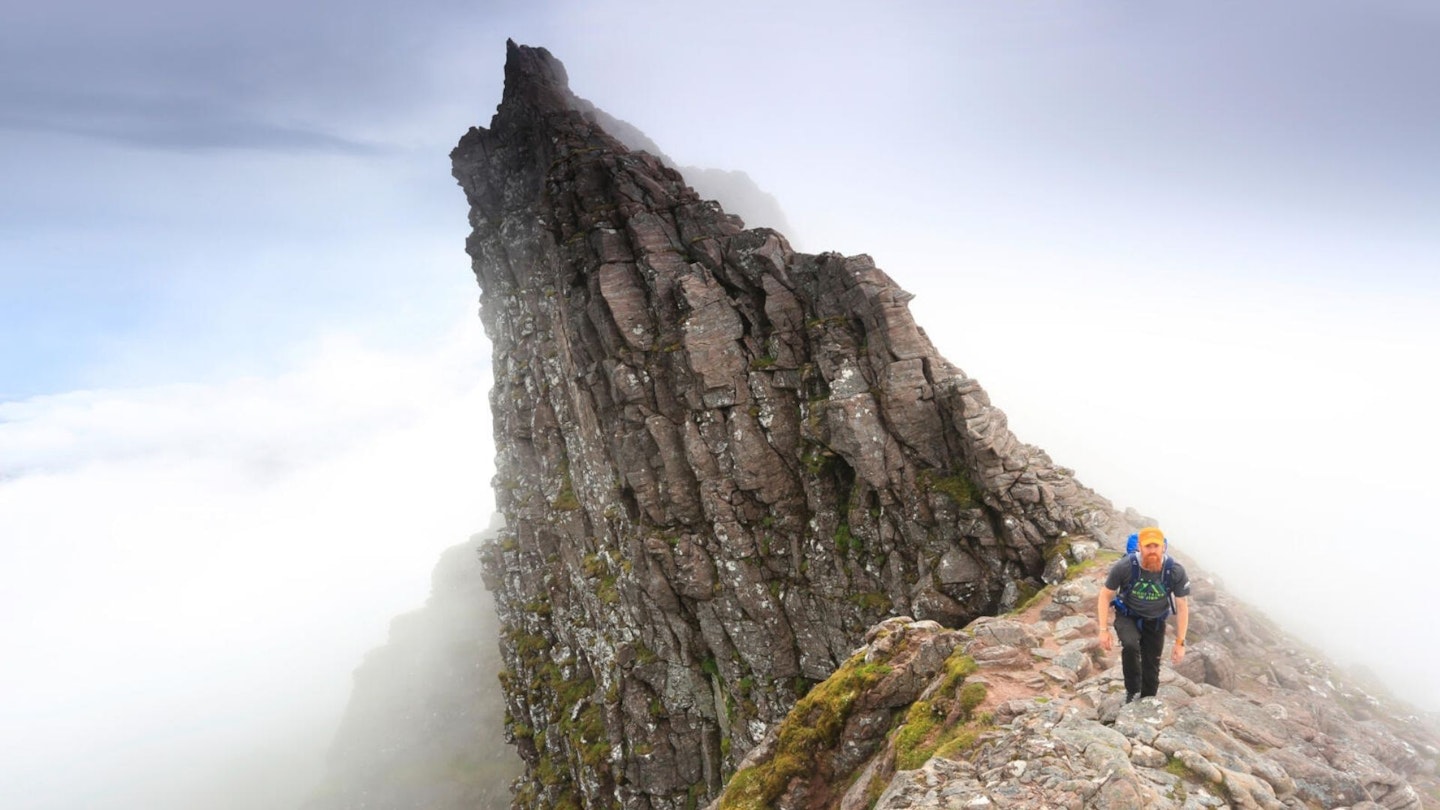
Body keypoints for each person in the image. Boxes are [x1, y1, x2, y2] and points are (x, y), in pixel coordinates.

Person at [1096, 526, 1190, 703]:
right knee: (1130, 646)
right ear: (1140, 547)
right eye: (1148, 546)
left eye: (1156, 546)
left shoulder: (1175, 570)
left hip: (1155, 621)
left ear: (1164, 547)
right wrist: (1103, 629)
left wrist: (1180, 642)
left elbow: (1182, 605)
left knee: (1152, 663)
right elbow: (1105, 594)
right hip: (1127, 615)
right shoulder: (1125, 566)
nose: (1152, 551)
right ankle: (1132, 692)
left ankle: (1147, 700)